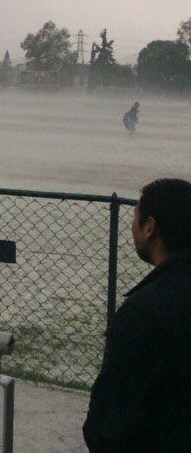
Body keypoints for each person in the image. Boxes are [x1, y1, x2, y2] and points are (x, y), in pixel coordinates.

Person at [83, 178, 191, 450]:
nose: (131, 226)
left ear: (150, 228)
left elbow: (109, 422)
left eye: (135, 218)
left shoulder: (146, 312)